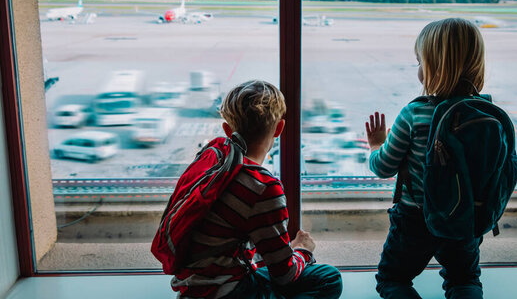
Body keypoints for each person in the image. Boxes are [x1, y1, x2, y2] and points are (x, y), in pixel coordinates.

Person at [171, 80, 343, 299]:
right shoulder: (262, 186)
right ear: (279, 128)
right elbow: (285, 275)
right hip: (228, 292)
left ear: (227, 130)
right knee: (329, 278)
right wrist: (303, 251)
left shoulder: (211, 166)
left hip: (192, 288)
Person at [366, 18, 486, 299]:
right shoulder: (486, 115)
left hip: (416, 218)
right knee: (464, 280)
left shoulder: (415, 114)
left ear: (433, 67)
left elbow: (384, 167)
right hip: (465, 220)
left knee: (392, 279)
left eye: (420, 62)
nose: (419, 69)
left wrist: (376, 145)